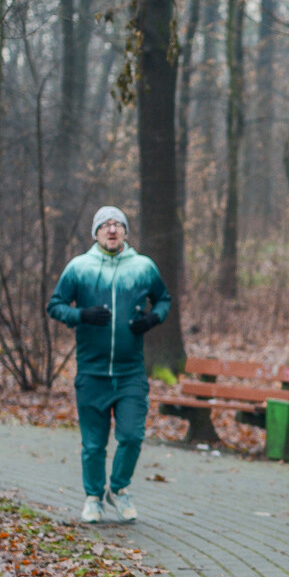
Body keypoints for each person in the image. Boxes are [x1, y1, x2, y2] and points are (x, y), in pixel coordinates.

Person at [47, 206, 171, 524]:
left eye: (118, 225)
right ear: (96, 233)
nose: (112, 230)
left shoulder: (143, 267)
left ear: (126, 232)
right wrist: (81, 315)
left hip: (130, 372)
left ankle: (118, 489)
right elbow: (56, 305)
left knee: (131, 436)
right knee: (93, 444)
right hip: (92, 371)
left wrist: (152, 319)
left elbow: (164, 299)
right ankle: (93, 498)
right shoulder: (79, 267)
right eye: (105, 225)